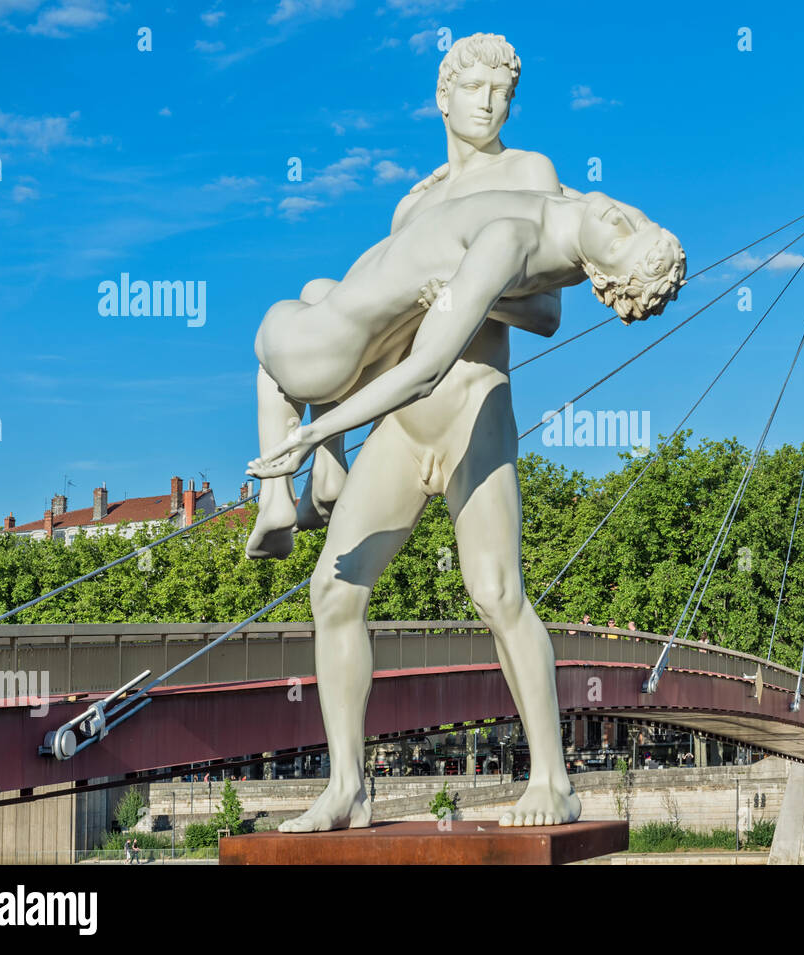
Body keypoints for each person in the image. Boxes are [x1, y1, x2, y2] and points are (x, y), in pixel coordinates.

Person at [264, 34, 684, 833]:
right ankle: (348, 784)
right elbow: (381, 334)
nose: (491, 105)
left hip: (472, 405)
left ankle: (553, 779)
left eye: (503, 92)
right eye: (477, 90)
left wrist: (469, 299)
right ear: (443, 99)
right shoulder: (410, 204)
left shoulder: (530, 174)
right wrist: (326, 424)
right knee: (333, 590)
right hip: (401, 418)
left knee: (496, 592)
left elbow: (549, 309)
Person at [245, 185, 685, 555]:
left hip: (325, 353)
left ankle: (275, 498)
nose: (622, 221)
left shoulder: (509, 244)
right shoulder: (584, 211)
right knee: (316, 288)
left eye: (619, 243)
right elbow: (546, 316)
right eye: (640, 223)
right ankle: (326, 474)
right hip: (362, 348)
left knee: (272, 336)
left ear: (599, 273)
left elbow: (427, 371)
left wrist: (309, 435)